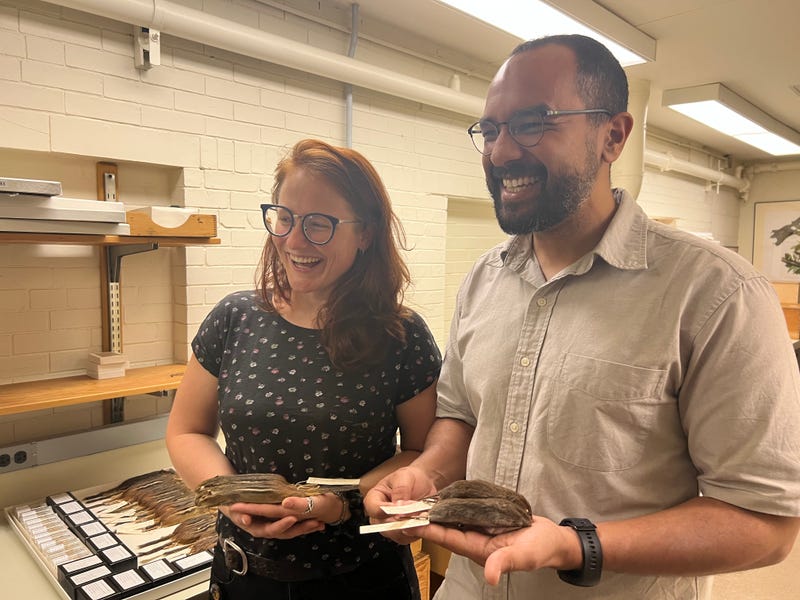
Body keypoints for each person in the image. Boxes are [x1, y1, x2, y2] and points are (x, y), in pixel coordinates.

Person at [364, 34, 800, 599]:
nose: (499, 154)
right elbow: (460, 417)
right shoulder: (483, 279)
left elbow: (766, 525)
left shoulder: (717, 293)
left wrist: (576, 545)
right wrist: (429, 475)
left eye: (531, 123)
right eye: (490, 130)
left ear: (613, 136)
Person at [166, 138, 441, 600]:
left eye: (319, 224)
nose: (294, 241)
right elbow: (187, 431)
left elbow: (421, 453)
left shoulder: (401, 335)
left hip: (362, 580)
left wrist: (343, 504)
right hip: (242, 577)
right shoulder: (234, 319)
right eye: (285, 218)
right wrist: (231, 496)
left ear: (366, 234)